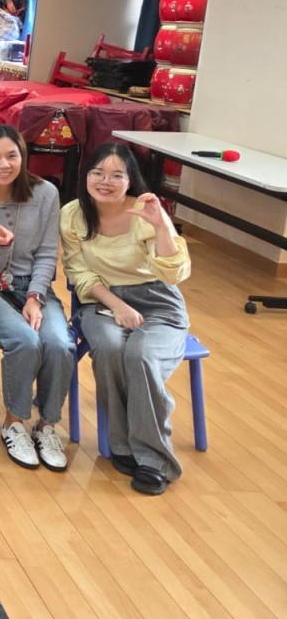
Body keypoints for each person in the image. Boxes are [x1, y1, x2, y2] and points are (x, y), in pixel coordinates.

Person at [60, 143, 191, 496]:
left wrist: (162, 227)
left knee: (141, 356)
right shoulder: (73, 214)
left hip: (157, 302)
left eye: (117, 175)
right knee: (109, 347)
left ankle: (154, 460)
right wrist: (117, 305)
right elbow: (78, 272)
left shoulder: (146, 211)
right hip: (100, 301)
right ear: (85, 175)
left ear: (131, 180)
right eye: (98, 173)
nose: (105, 182)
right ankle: (122, 445)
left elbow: (174, 274)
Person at [0, 126, 73, 471]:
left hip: (35, 287)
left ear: (23, 157)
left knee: (59, 343)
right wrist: (3, 246)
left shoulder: (46, 193)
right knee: (25, 340)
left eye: (12, 156)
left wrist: (36, 297)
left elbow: (47, 254)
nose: (3, 164)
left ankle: (47, 426)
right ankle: (13, 423)